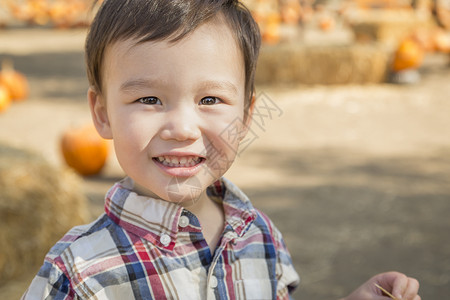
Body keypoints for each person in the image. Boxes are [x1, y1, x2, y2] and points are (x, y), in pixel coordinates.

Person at [22, 0, 420, 299]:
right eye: (149, 99)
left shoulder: (259, 235)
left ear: (247, 116)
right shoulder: (79, 272)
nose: (181, 128)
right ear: (103, 113)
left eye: (210, 100)